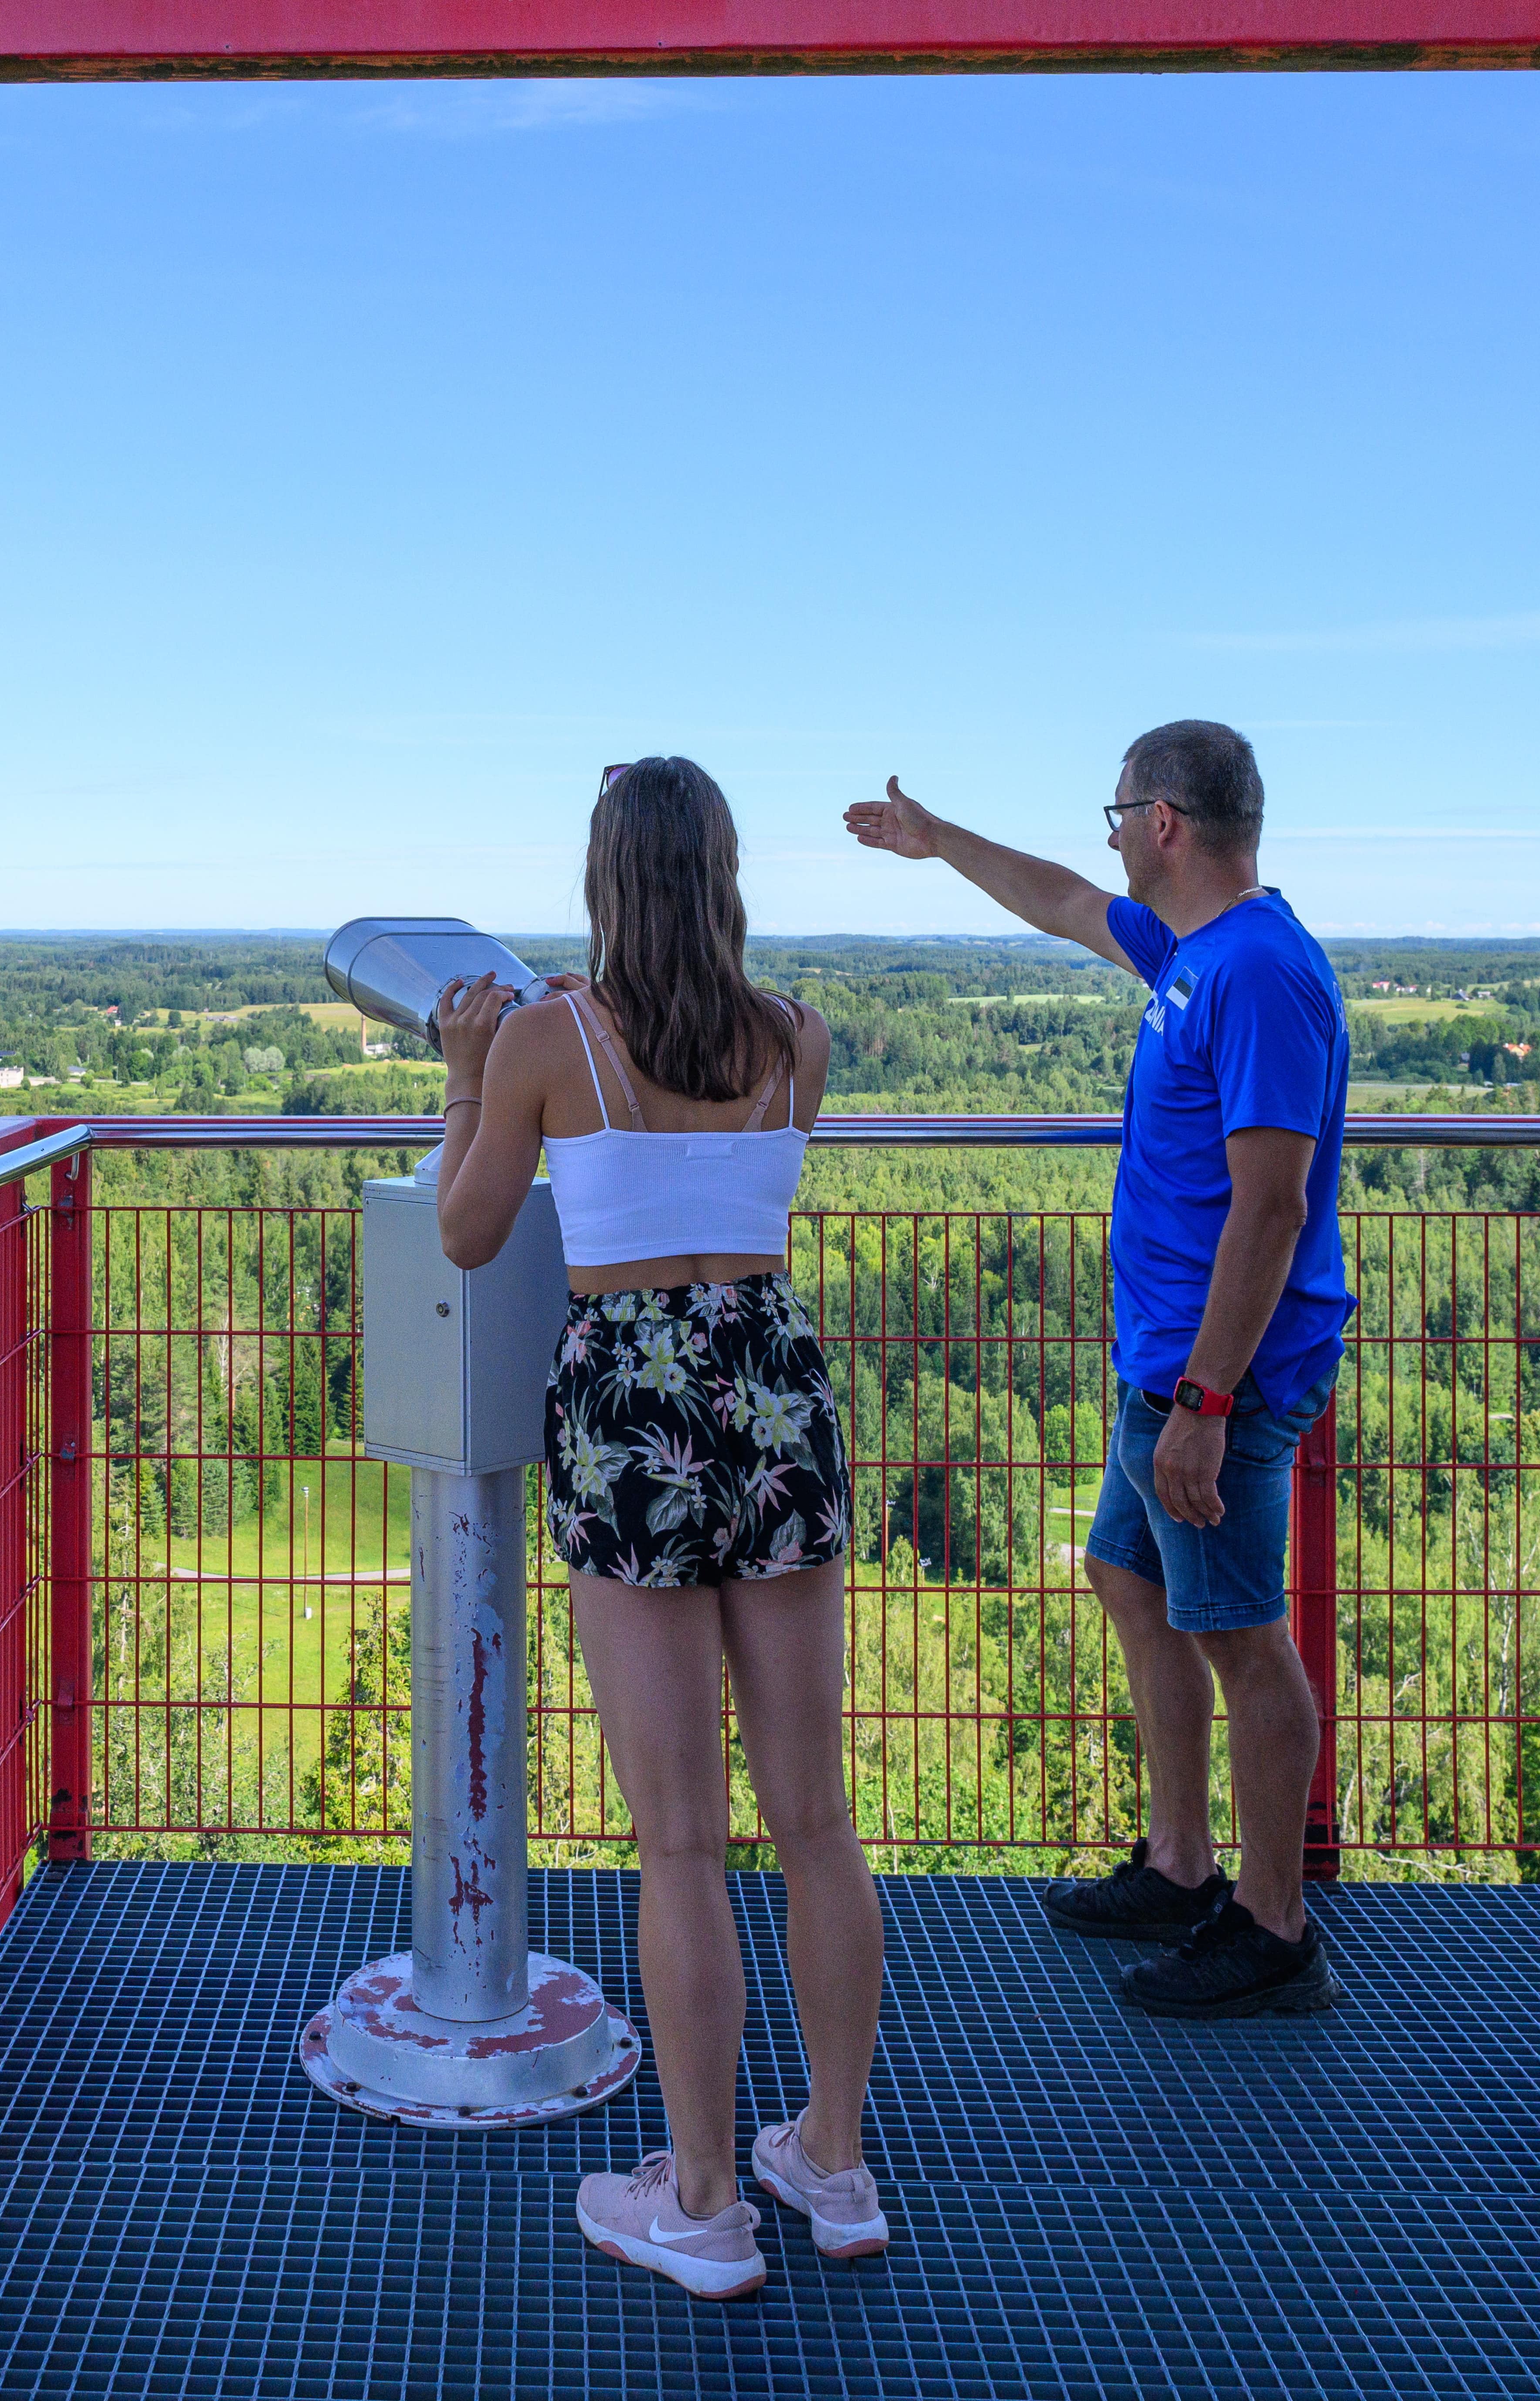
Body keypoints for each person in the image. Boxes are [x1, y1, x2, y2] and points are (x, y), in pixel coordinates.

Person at [434, 756, 887, 2303]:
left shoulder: (556, 1039)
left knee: (680, 1839)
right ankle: (829, 2157)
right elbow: (738, 1221)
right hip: (774, 1387)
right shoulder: (799, 1043)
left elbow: (469, 1229)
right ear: (727, 871)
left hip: (633, 1404)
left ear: (606, 877)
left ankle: (701, 2202)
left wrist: (463, 1074)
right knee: (816, 1821)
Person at [844, 721, 1350, 2018]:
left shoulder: (1257, 976)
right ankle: (1183, 1866)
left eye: (1119, 813)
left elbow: (1273, 1209)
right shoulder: (1193, 951)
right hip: (1171, 1374)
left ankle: (1272, 1928)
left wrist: (1205, 1405)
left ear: (1166, 820)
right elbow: (1065, 903)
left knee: (1242, 1638)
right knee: (1126, 1575)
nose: (1110, 836)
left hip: (1211, 1384)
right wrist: (936, 838)